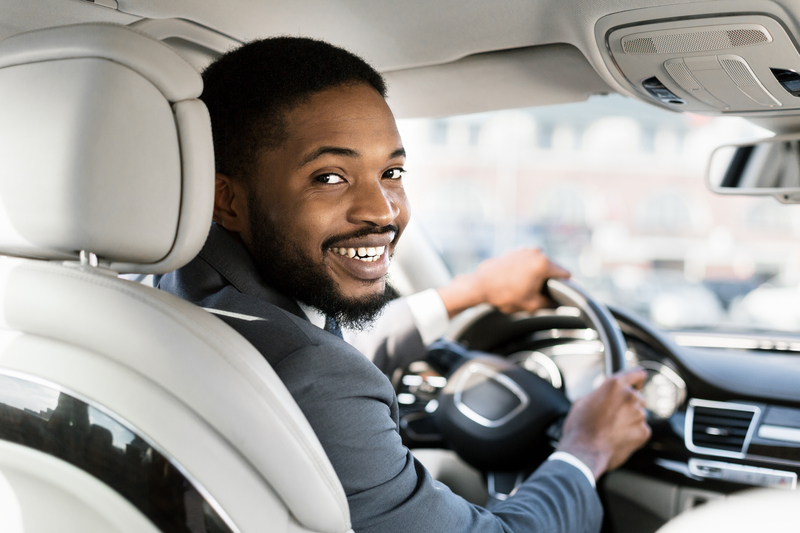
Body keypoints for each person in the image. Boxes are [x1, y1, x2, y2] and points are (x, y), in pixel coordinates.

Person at [159, 36, 651, 533]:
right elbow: (317, 367)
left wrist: (469, 293)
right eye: (330, 177)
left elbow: (313, 347)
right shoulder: (317, 378)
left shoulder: (167, 288)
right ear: (228, 201)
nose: (383, 211)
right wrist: (584, 451)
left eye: (391, 172)